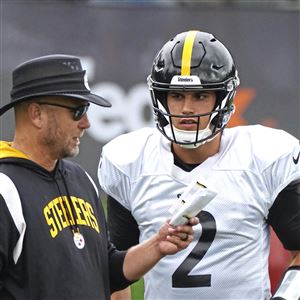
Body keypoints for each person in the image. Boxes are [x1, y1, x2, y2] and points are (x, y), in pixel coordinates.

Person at [98, 30, 300, 300]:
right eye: (177, 96)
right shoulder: (130, 162)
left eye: (200, 96)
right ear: (161, 99)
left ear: (223, 98)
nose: (187, 109)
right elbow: (117, 270)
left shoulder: (261, 158)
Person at [0, 54, 198, 300]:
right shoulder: (5, 189)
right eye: (77, 111)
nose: (86, 123)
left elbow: (106, 271)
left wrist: (157, 245)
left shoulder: (81, 180)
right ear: (37, 114)